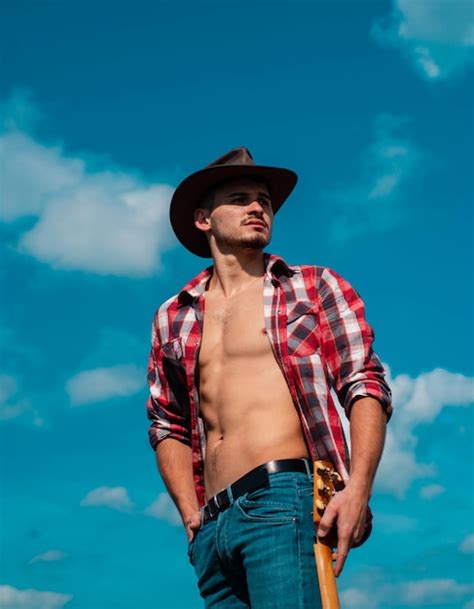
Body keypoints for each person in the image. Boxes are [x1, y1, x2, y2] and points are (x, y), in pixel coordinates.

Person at [146, 147, 392, 609]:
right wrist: (189, 516)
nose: (258, 207)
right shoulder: (172, 316)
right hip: (212, 527)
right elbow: (167, 423)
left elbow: (365, 383)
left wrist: (357, 487)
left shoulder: (313, 286)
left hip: (283, 500)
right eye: (240, 198)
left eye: (264, 200)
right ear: (203, 219)